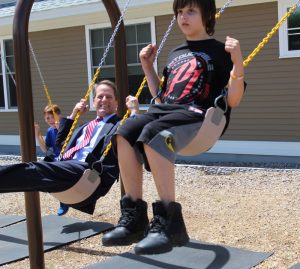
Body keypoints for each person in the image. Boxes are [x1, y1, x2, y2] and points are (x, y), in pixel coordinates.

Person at [102, 0, 245, 255]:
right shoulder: (176, 52)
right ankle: (134, 217)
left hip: (196, 116)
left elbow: (233, 100)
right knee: (122, 133)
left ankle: (170, 223)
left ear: (207, 15)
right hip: (166, 111)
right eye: (179, 12)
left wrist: (238, 63)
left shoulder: (220, 51)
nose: (183, 17)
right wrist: (147, 67)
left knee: (153, 135)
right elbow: (163, 95)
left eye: (190, 11)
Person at [0, 80, 139, 215]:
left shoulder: (120, 124)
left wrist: (134, 111)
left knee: (34, 169)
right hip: (66, 167)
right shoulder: (84, 127)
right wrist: (73, 114)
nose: (104, 99)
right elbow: (59, 142)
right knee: (29, 177)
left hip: (88, 173)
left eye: (109, 97)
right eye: (99, 96)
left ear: (116, 103)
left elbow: (133, 137)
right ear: (94, 101)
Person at [34, 104, 69, 216]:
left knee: (59, 176)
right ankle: (62, 200)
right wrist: (37, 134)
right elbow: (45, 149)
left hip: (67, 157)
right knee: (43, 170)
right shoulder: (50, 131)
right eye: (47, 118)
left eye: (52, 116)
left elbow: (69, 142)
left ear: (59, 115)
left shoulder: (65, 126)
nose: (50, 120)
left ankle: (64, 202)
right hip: (55, 158)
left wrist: (60, 129)